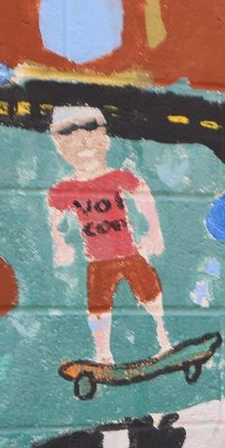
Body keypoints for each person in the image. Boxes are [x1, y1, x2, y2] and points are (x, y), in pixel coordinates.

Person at [46, 106, 173, 364]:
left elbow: (142, 194)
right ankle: (103, 353)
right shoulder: (66, 189)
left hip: (129, 252)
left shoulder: (117, 177)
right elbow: (55, 217)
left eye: (90, 130)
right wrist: (59, 243)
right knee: (99, 307)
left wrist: (154, 229)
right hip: (98, 260)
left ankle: (163, 339)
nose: (83, 141)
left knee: (150, 292)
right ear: (60, 146)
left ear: (105, 138)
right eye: (70, 134)